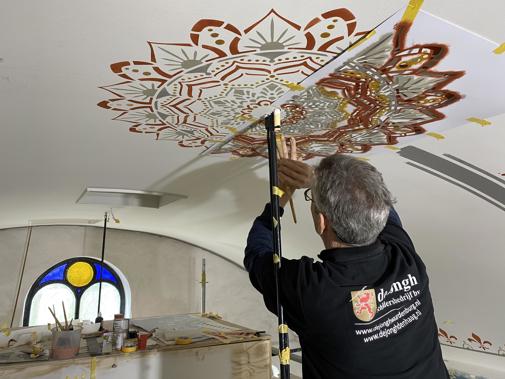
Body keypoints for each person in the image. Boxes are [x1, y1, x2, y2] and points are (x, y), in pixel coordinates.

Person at [244, 140, 449, 379]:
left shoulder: (310, 289)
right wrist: (316, 181)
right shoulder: (405, 258)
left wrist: (282, 195)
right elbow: (384, 207)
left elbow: (257, 253)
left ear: (322, 222)